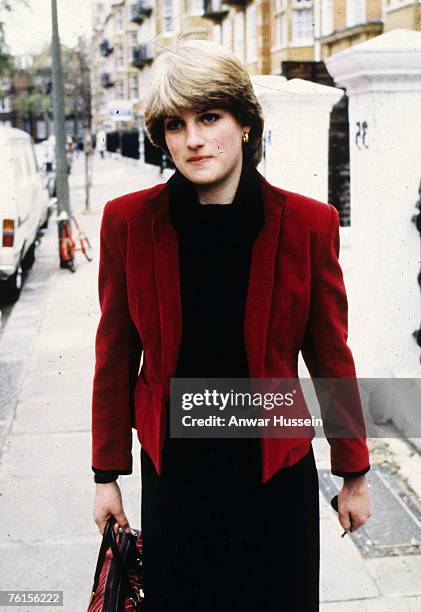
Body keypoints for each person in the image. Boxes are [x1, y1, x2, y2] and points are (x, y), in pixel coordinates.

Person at [92, 40, 371, 611]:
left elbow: (331, 356)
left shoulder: (308, 225)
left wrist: (354, 472)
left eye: (210, 117)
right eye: (176, 124)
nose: (193, 139)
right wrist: (106, 472)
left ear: (245, 123)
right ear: (162, 137)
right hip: (176, 483)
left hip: (273, 479)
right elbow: (115, 355)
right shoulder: (127, 223)